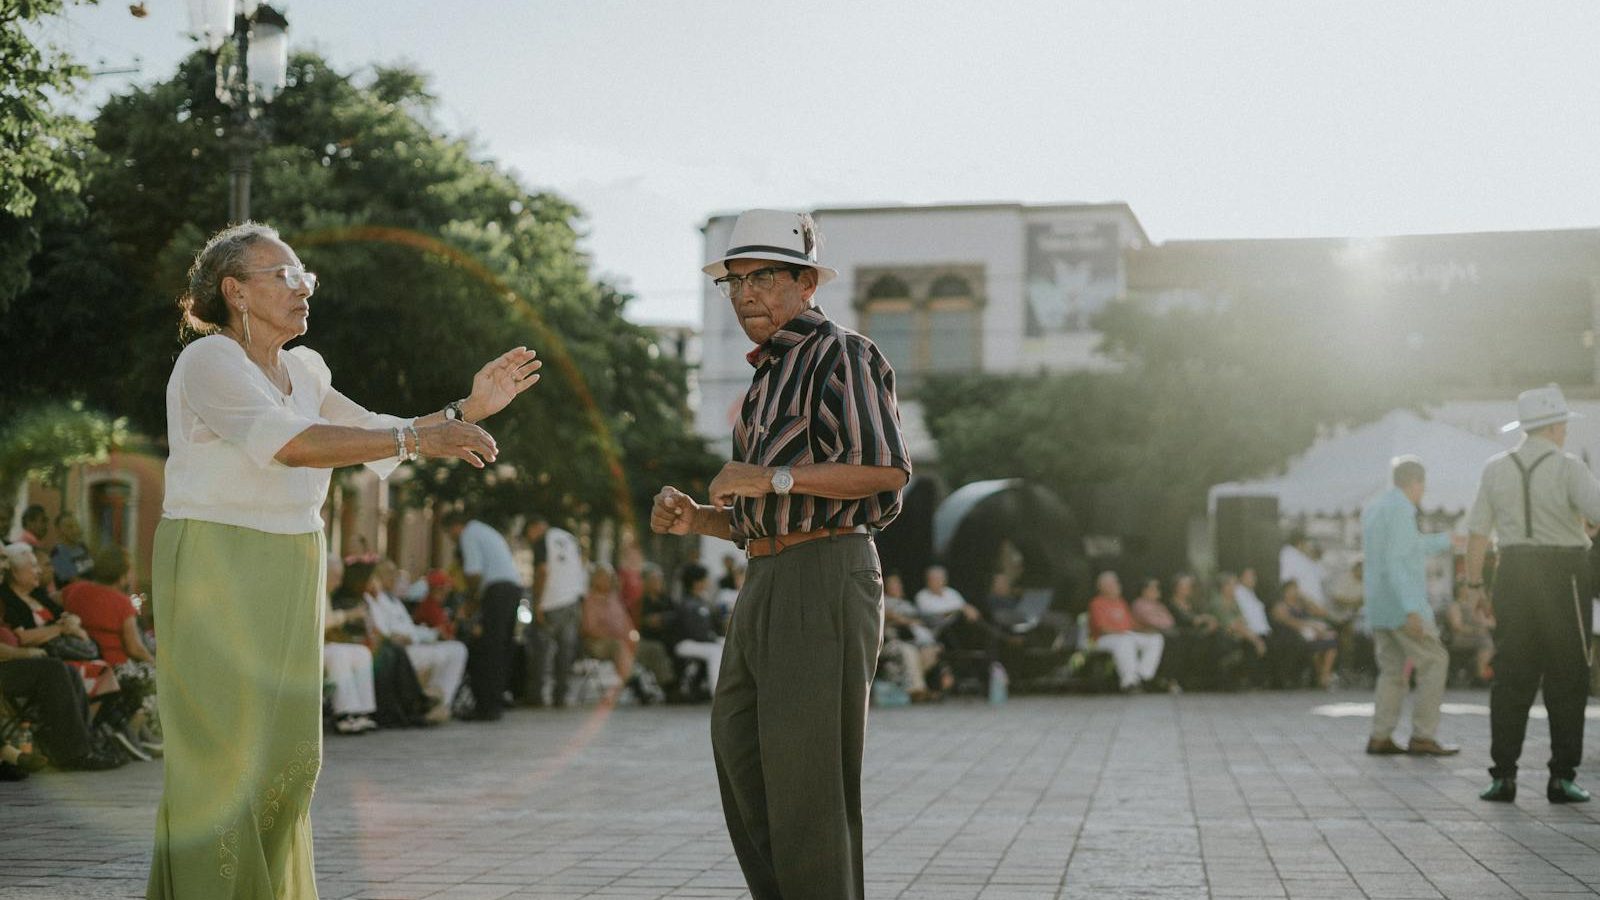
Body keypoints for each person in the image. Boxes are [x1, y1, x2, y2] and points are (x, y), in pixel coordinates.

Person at [147, 221, 539, 897]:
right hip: (215, 558)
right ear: (235, 291)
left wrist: (466, 408)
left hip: (294, 559)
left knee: (288, 759)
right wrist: (419, 437)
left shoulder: (306, 369)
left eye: (306, 277)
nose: (303, 288)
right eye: (284, 275)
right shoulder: (207, 362)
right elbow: (292, 444)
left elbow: (369, 436)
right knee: (223, 759)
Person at [651, 208, 909, 900]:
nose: (745, 295)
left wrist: (769, 476)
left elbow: (884, 471)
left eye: (762, 277)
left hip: (827, 571)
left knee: (807, 784)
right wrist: (698, 520)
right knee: (741, 758)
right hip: (765, 575)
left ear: (805, 282)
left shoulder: (844, 354)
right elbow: (755, 519)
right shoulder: (763, 382)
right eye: (733, 282)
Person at [1464, 385, 1600, 804]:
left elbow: (1477, 533)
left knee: (1511, 677)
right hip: (1565, 575)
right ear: (1558, 427)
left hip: (1514, 572)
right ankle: (1561, 776)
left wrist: (1473, 587)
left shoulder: (1495, 468)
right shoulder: (1569, 467)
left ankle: (1503, 775)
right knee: (1567, 676)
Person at [1360, 456, 1459, 756]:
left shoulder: (1375, 508)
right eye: (1423, 486)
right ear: (1416, 482)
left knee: (1391, 670)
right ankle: (1423, 735)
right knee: (1435, 661)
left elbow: (1406, 548)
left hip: (1378, 604)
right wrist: (1411, 609)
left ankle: (1380, 735)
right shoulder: (1403, 510)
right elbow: (1398, 562)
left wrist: (1445, 540)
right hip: (1403, 605)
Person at [60, 545, 161, 755]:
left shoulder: (75, 590)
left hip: (86, 660)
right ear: (122, 574)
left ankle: (141, 733)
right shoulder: (123, 603)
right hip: (116, 667)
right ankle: (131, 728)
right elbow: (134, 648)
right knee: (161, 679)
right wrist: (154, 661)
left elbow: (53, 600)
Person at [443, 511, 524, 721]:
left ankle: (486, 706)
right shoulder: (484, 531)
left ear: (455, 527)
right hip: (512, 588)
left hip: (496, 591)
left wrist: (471, 602)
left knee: (488, 648)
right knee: (501, 647)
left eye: (448, 533)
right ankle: (496, 700)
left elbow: (473, 572)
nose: (451, 539)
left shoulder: (469, 534)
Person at [371, 559, 469, 723]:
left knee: (457, 649)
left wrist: (432, 634)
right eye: (388, 573)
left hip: (415, 642)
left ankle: (443, 702)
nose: (393, 577)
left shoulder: (394, 601)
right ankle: (428, 702)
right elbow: (386, 633)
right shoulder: (377, 600)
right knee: (439, 656)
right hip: (399, 651)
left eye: (394, 573)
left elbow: (411, 629)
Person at [522, 515, 586, 708]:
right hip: (572, 600)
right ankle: (561, 695)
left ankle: (536, 696)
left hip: (552, 601)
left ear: (534, 527)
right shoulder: (569, 538)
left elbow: (542, 571)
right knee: (565, 651)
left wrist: (537, 603)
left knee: (541, 650)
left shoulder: (543, 540)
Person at [1088, 571, 1164, 692]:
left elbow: (1131, 625)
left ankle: (1142, 675)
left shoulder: (1121, 602)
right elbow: (1102, 628)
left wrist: (1146, 630)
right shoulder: (1097, 603)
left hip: (1125, 636)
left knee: (1156, 638)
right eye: (1112, 584)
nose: (1117, 586)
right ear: (1101, 587)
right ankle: (1129, 682)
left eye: (1116, 583)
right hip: (1102, 639)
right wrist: (1122, 632)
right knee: (1125, 640)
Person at [1269, 579, 1340, 689]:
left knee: (1331, 643)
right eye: (1292, 589)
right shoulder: (1281, 606)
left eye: (1296, 589)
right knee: (1316, 648)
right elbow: (1289, 621)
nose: (1295, 592)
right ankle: (1322, 678)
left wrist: (1307, 599)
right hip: (1294, 637)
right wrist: (1311, 626)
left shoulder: (1302, 604)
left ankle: (1324, 676)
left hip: (1311, 634)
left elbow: (1323, 613)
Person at [1279, 529, 1329, 609]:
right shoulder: (1288, 555)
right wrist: (1309, 604)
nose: (1309, 546)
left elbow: (1322, 577)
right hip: (1304, 606)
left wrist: (1314, 557)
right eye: (1307, 543)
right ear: (1300, 543)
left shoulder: (1303, 557)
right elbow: (1288, 584)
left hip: (1316, 606)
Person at [50, 512, 92, 588]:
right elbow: (73, 580)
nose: (75, 530)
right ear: (58, 530)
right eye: (69, 527)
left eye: (76, 525)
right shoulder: (57, 552)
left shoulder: (82, 547)